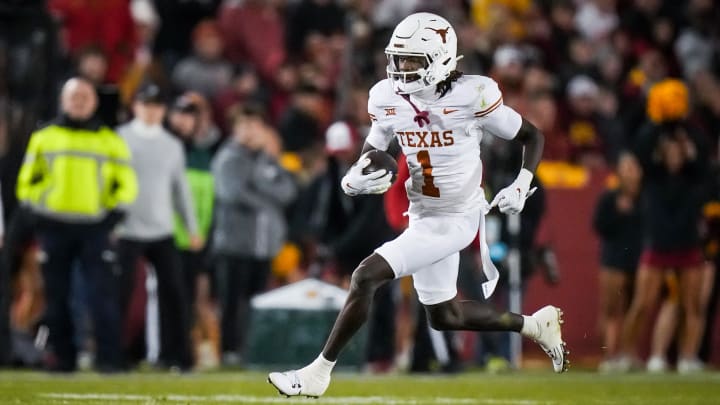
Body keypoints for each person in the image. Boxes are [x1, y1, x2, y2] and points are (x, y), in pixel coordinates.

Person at [268, 13, 567, 398]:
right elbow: (375, 149)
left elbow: (531, 135)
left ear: (441, 59)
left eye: (412, 61)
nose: (401, 68)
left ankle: (317, 372)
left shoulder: (473, 95)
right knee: (445, 316)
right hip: (422, 213)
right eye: (398, 58)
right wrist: (357, 174)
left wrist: (522, 182)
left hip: (457, 216)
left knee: (365, 276)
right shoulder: (386, 97)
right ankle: (533, 325)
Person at [16, 77, 138, 372]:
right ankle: (63, 358)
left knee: (102, 295)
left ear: (94, 102)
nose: (79, 102)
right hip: (53, 226)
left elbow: (127, 183)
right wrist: (36, 211)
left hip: (94, 227)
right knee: (56, 297)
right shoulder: (44, 137)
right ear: (63, 100)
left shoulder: (109, 140)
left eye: (84, 96)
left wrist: (113, 213)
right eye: (74, 97)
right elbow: (27, 180)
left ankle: (109, 359)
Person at [115, 82, 201, 370]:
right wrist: (109, 222)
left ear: (162, 110)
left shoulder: (172, 145)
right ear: (135, 107)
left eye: (156, 106)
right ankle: (115, 353)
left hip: (162, 228)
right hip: (126, 228)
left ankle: (177, 355)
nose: (150, 111)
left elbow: (181, 190)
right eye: (145, 105)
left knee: (175, 293)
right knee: (120, 294)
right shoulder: (119, 139)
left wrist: (192, 227)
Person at [592, 152, 643, 372]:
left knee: (636, 309)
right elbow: (598, 225)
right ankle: (609, 356)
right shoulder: (609, 198)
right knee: (611, 309)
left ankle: (628, 353)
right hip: (613, 259)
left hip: (640, 260)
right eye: (626, 168)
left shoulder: (647, 198)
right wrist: (618, 213)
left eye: (633, 168)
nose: (630, 173)